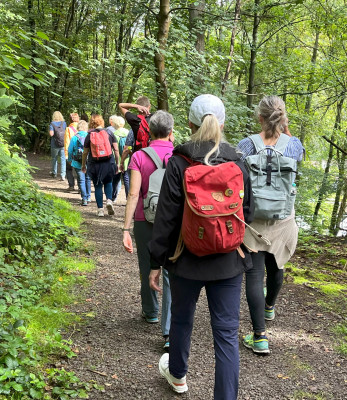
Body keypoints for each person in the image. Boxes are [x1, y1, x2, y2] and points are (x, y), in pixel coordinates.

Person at [148, 94, 252, 399]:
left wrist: (157, 262)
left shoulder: (179, 162)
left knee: (181, 319)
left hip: (186, 259)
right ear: (222, 123)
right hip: (228, 261)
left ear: (190, 123)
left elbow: (166, 217)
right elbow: (250, 211)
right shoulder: (238, 161)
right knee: (226, 334)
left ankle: (178, 376)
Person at [237, 95, 304, 355]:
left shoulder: (247, 144)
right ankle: (269, 306)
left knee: (254, 276)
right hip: (283, 217)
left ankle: (260, 336)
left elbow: (238, 174)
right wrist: (285, 132)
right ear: (284, 117)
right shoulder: (294, 145)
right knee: (277, 264)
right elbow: (298, 164)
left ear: (260, 117)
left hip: (253, 219)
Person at [121, 110, 174, 350]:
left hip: (145, 219)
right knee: (171, 271)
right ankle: (169, 327)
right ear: (171, 133)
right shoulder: (179, 156)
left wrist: (126, 228)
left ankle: (151, 311)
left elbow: (133, 194)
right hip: (173, 222)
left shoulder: (139, 157)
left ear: (149, 132)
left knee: (146, 265)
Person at [81, 114, 121, 217]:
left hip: (94, 164)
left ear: (91, 122)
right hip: (109, 162)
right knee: (108, 182)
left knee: (97, 185)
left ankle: (100, 210)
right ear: (101, 121)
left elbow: (85, 152)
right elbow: (116, 149)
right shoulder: (109, 132)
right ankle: (108, 200)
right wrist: (118, 163)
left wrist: (83, 165)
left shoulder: (89, 135)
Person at [118, 96, 152, 166]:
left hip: (139, 156)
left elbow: (120, 105)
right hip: (153, 156)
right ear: (149, 106)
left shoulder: (134, 119)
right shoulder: (156, 117)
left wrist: (136, 106)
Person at [68, 120, 91, 206]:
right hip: (89, 161)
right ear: (86, 128)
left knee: (81, 180)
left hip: (77, 162)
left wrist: (70, 160)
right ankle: (89, 197)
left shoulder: (74, 137)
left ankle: (84, 199)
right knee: (88, 179)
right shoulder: (89, 136)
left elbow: (70, 150)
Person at [108, 115, 130, 201]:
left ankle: (113, 197)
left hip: (116, 159)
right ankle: (128, 197)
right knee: (127, 178)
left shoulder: (114, 134)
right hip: (127, 159)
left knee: (115, 179)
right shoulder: (128, 133)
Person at [49, 112, 67, 180]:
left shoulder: (52, 124)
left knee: (54, 158)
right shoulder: (64, 123)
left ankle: (54, 173)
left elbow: (51, 134)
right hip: (63, 144)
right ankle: (63, 175)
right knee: (63, 159)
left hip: (54, 144)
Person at [64, 113, 80, 191]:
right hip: (80, 152)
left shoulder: (68, 129)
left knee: (69, 169)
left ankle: (71, 186)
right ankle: (81, 188)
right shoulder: (82, 128)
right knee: (79, 170)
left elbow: (67, 142)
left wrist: (66, 154)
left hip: (71, 152)